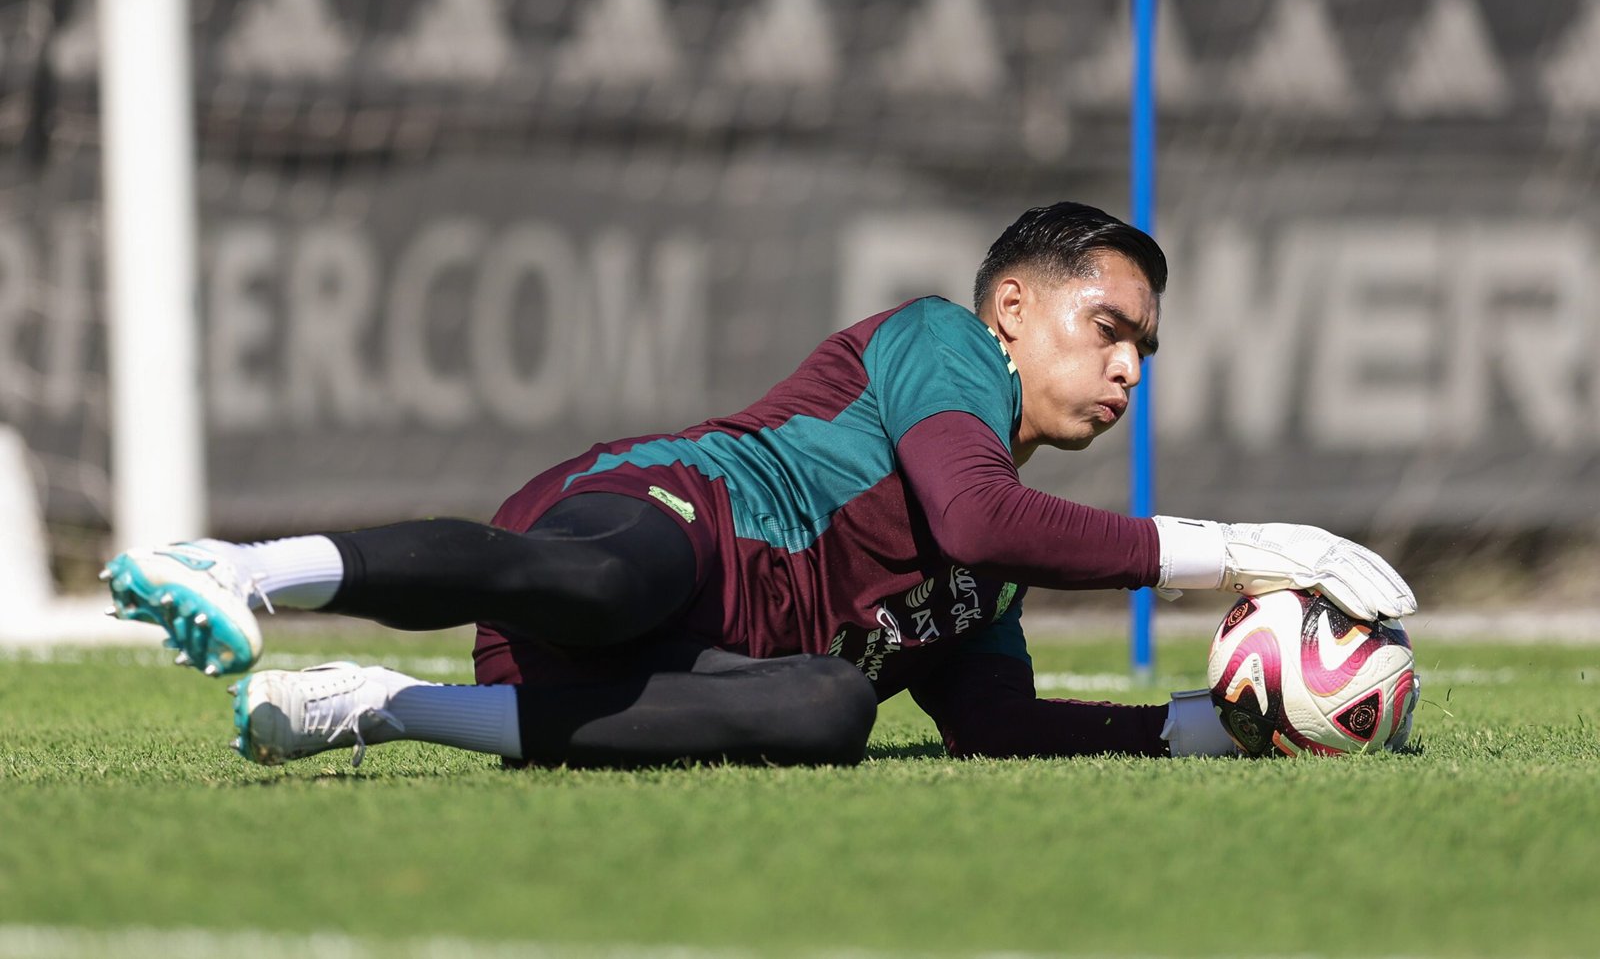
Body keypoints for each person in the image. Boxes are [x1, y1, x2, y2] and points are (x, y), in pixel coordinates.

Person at [103, 202, 1416, 769]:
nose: (1128, 366)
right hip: (658, 516)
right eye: (1107, 325)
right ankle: (245, 569)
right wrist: (1245, 544)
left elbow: (997, 730)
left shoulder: (992, 563)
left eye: (1146, 347)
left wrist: (1231, 720)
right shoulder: (939, 346)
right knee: (617, 577)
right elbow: (971, 510)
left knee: (833, 709)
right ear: (1013, 309)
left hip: (633, 687)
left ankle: (384, 706)